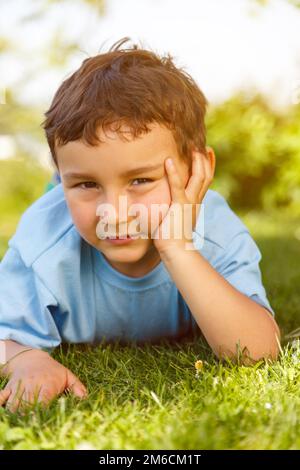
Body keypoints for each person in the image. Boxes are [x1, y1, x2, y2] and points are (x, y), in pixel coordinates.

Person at [0, 37, 280, 412]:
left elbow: (258, 352)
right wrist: (26, 358)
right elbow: (5, 333)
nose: (113, 212)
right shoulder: (45, 243)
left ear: (199, 170)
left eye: (140, 180)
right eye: (86, 184)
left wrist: (178, 250)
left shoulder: (216, 232)